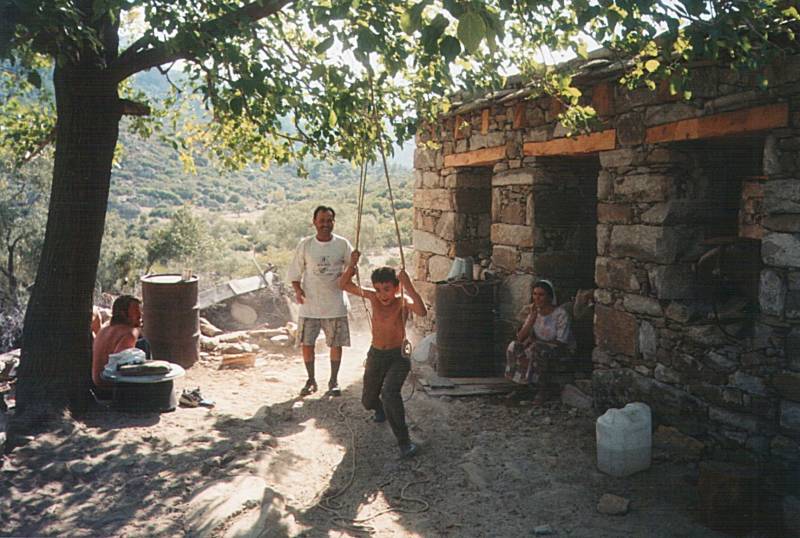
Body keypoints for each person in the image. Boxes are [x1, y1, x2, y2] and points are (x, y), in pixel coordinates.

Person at [339, 251, 427, 458]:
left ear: (396, 288)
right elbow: (344, 285)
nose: (382, 295)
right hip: (376, 355)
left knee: (390, 393)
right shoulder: (373, 298)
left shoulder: (402, 301)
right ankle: (379, 410)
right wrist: (352, 265)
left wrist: (409, 285)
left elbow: (422, 312)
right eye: (378, 290)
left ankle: (405, 443)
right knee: (368, 400)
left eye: (387, 289)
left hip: (398, 356)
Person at [287, 205, 353, 397]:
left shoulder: (342, 244)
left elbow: (350, 270)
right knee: (307, 344)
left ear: (334, 222)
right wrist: (298, 290)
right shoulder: (306, 245)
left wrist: (353, 263)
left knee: (335, 344)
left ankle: (333, 381)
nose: (325, 224)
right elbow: (295, 272)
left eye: (329, 220)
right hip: (310, 305)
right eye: (322, 220)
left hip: (335, 304)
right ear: (314, 222)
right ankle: (311, 380)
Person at [505, 280, 575, 404]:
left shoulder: (560, 314)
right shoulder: (534, 312)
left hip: (560, 351)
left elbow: (562, 342)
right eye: (535, 294)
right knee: (513, 346)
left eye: (541, 295)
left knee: (537, 348)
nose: (537, 298)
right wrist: (531, 320)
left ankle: (542, 390)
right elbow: (520, 338)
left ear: (549, 297)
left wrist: (537, 343)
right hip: (538, 347)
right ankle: (521, 385)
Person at [91, 295, 143, 399]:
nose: (140, 314)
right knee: (143, 344)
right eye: (135, 311)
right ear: (124, 314)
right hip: (110, 389)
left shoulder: (104, 330)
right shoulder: (129, 334)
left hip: (97, 385)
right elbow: (122, 367)